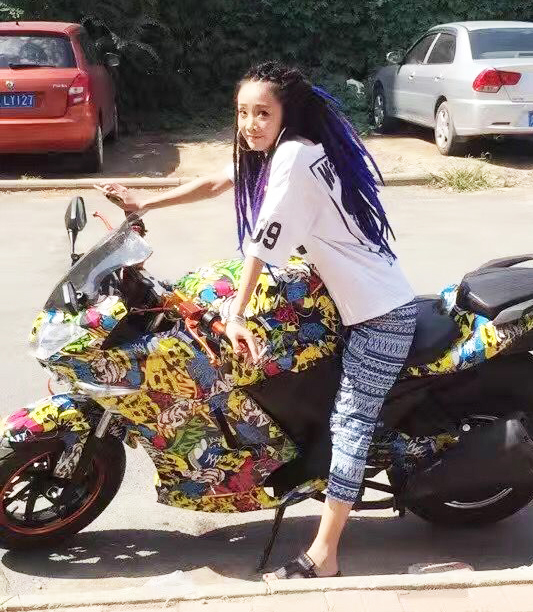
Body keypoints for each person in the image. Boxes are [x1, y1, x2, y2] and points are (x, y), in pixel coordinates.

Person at [96, 61, 417, 580]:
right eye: (243, 112)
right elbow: (218, 181)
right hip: (344, 301)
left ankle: (325, 554)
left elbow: (263, 243)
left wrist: (239, 313)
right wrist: (145, 203)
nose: (250, 123)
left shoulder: (294, 157)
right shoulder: (291, 148)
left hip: (379, 314)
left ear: (287, 113)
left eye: (263, 113)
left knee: (350, 423)